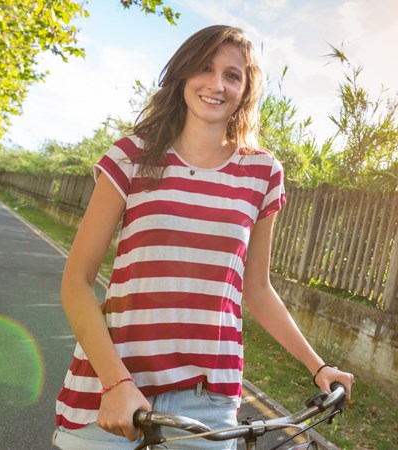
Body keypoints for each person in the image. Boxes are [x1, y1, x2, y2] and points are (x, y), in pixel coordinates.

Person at [52, 24, 354, 449]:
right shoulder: (132, 156)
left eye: (232, 75)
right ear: (183, 76)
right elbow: (76, 283)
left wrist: (319, 368)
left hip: (206, 401)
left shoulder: (262, 173)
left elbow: (257, 289)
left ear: (245, 90)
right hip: (111, 386)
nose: (217, 84)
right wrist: (116, 382)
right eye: (204, 68)